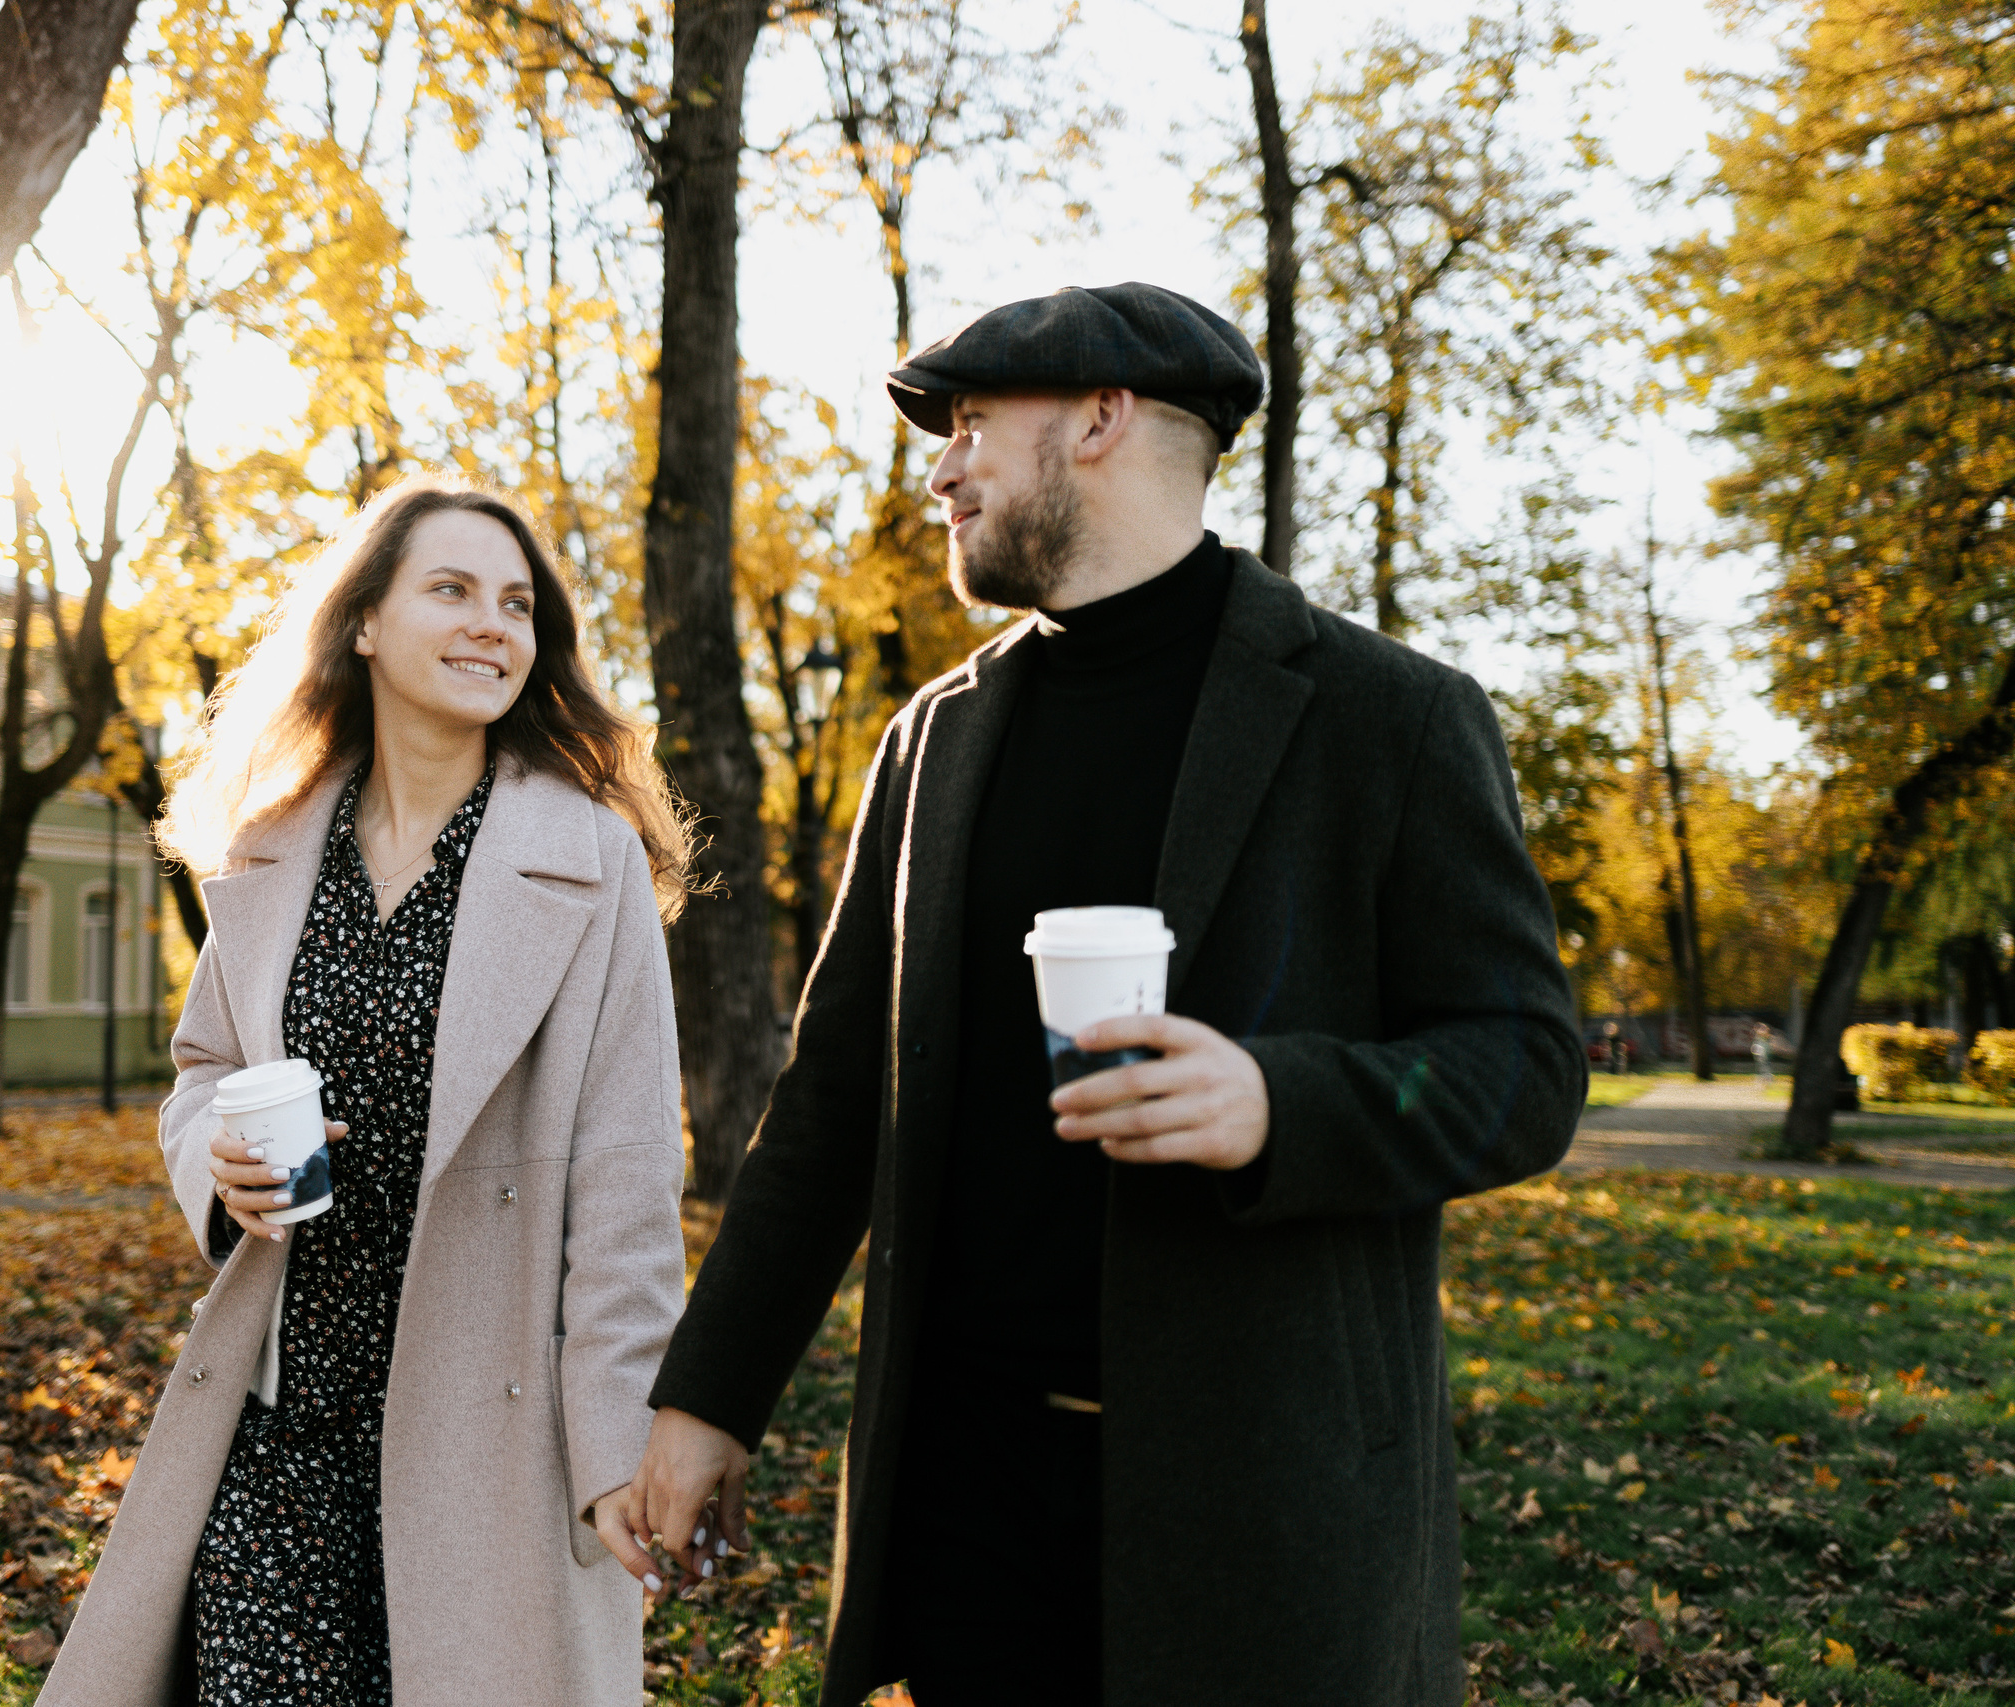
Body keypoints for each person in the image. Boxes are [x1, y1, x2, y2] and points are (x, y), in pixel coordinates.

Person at [620, 284, 1587, 1705]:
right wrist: (710, 1398)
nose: (941, 468)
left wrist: (1281, 1098)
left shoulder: (1391, 716)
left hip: (1266, 1510)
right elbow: (830, 1103)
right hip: (966, 1500)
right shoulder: (931, 741)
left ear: (1098, 415)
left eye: (968, 426)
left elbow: (1525, 1065)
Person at [41, 477, 692, 1707]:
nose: (491, 623)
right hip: (281, 1421)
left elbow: (625, 1186)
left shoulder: (588, 858)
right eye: (449, 590)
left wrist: (615, 1450)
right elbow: (205, 1074)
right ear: (363, 625)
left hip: (486, 1431)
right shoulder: (270, 847)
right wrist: (216, 1166)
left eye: (516, 603)